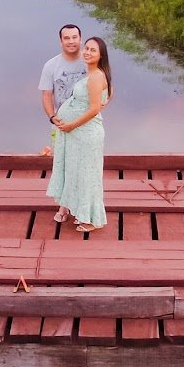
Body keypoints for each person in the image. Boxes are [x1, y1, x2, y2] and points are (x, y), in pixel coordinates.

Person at [47, 36, 112, 233]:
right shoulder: (93, 73)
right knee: (76, 173)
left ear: (101, 55)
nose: (87, 52)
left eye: (93, 50)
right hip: (76, 134)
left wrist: (72, 125)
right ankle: (80, 212)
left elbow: (93, 109)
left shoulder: (96, 76)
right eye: (87, 49)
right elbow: (107, 96)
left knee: (87, 176)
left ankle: (93, 220)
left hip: (85, 134)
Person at [38, 24, 86, 154]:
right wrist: (52, 117)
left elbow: (107, 88)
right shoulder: (51, 65)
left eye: (74, 37)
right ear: (61, 41)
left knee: (85, 159)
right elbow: (46, 95)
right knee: (60, 159)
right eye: (67, 38)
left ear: (80, 39)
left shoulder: (91, 61)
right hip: (61, 123)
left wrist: (98, 109)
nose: (71, 41)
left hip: (87, 122)